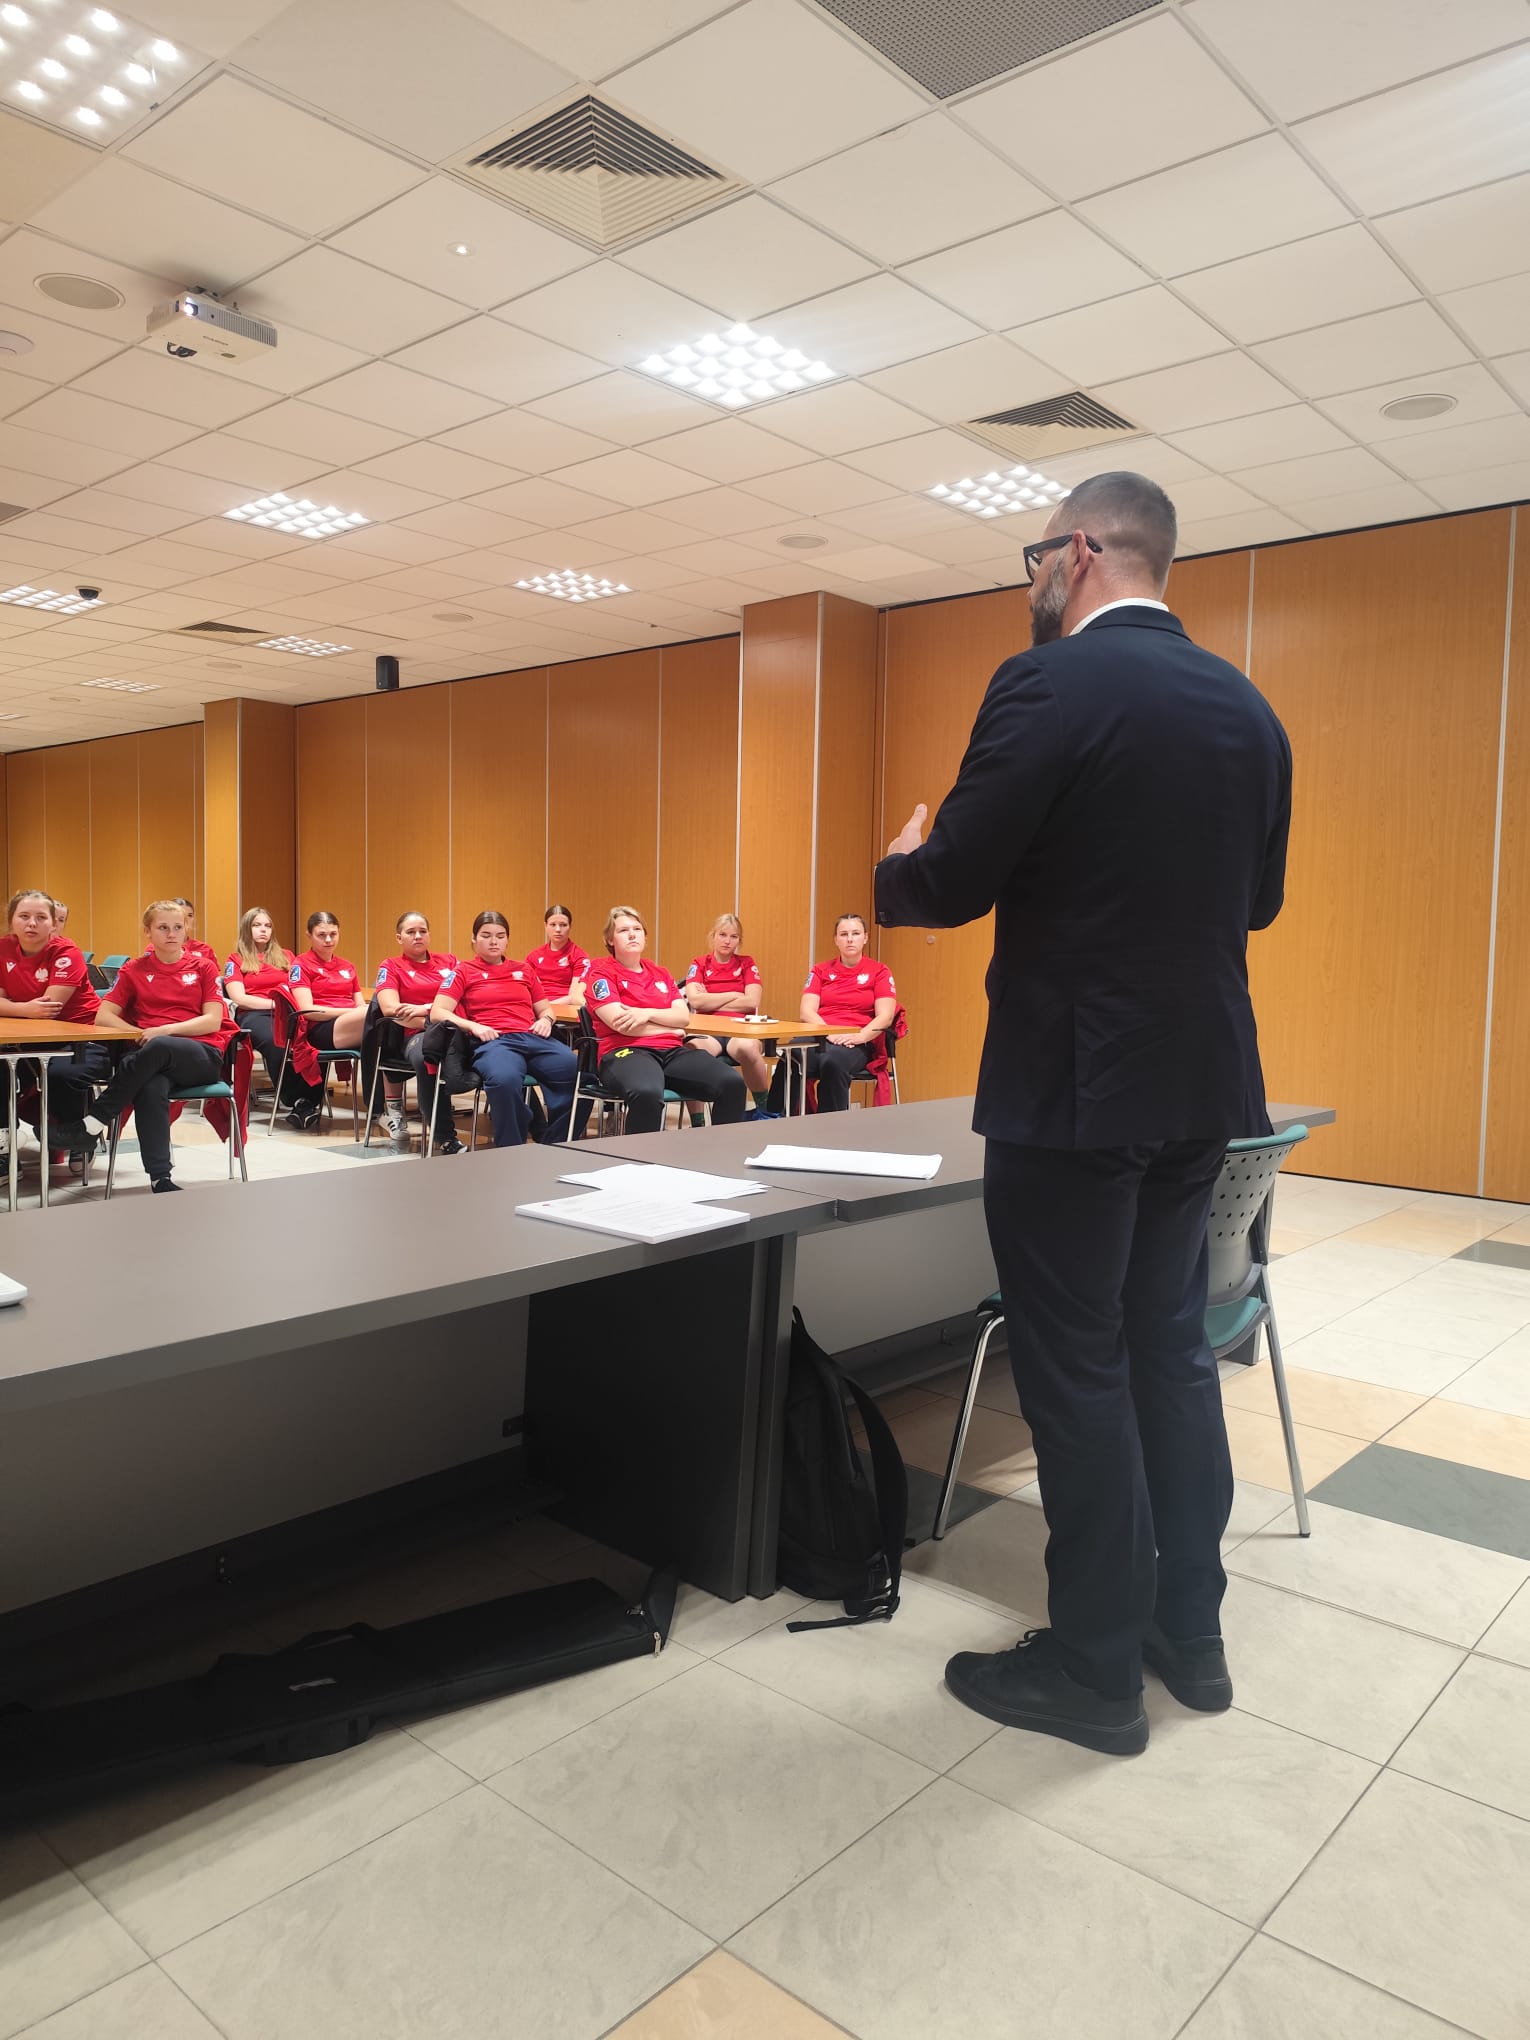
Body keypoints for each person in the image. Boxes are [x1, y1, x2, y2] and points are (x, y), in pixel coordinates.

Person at [874, 470, 1291, 1759]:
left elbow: (953, 883)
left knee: (1076, 1366)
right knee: (1169, 1349)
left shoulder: (1044, 683)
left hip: (1074, 1087)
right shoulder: (1250, 708)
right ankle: (1188, 1638)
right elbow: (1259, 903)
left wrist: (897, 867)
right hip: (1203, 1084)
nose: (1031, 579)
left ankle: (1096, 1668)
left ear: (1081, 552)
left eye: (1035, 556)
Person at [66, 898, 233, 1192]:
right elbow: (103, 1017)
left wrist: (163, 1032)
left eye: (178, 927)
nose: (171, 933)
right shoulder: (134, 969)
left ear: (186, 929)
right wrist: (140, 1032)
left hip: (201, 1055)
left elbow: (212, 1021)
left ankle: (94, 1121)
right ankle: (160, 1178)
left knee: (157, 1048)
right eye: (163, 927)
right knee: (151, 1084)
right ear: (148, 932)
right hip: (152, 1058)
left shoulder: (204, 967)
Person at [585, 906, 747, 1134]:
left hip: (671, 1052)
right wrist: (670, 1029)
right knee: (646, 1092)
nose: (632, 935)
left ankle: (719, 1150)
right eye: (623, 930)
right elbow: (622, 1025)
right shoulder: (601, 974)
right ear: (610, 940)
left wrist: (646, 1014)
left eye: (637, 929)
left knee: (732, 1084)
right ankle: (637, 1155)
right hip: (625, 1051)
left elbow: (682, 1017)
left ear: (645, 936)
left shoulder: (660, 973)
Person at [428, 911, 578, 1147]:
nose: (493, 941)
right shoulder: (463, 971)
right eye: (486, 935)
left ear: (507, 939)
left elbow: (546, 1009)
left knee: (575, 1069)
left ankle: (557, 1142)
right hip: (494, 1041)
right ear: (474, 939)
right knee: (504, 1080)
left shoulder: (524, 969)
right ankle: (511, 1146)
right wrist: (473, 1026)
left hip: (531, 1036)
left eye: (500, 936)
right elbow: (438, 1012)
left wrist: (546, 1020)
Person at [0, 888, 103, 1163]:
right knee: (2, 1070)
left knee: (62, 1074)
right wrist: (24, 1009)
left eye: (41, 917)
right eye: (24, 916)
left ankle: (78, 1135)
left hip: (81, 1036)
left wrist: (11, 1006)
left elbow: (48, 1008)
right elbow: (32, 1010)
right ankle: (4, 1146)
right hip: (28, 1038)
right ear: (12, 921)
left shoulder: (66, 952)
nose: (31, 923)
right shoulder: (3, 948)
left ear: (54, 923)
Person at [766, 913, 896, 1114]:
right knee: (791, 1056)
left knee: (832, 1062)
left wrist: (860, 1036)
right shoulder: (820, 970)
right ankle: (775, 1117)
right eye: (843, 934)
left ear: (865, 938)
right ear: (836, 940)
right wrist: (829, 1033)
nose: (850, 939)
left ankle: (829, 1125)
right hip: (822, 1034)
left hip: (856, 1040)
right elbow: (806, 1011)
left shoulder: (879, 971)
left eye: (855, 933)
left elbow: (885, 1016)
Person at [374, 910, 457, 1151]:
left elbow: (464, 998)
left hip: (454, 1030)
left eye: (423, 931)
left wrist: (426, 1010)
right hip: (415, 1035)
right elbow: (391, 1009)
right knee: (427, 1055)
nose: (418, 936)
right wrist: (433, 1021)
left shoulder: (449, 962)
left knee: (499, 1050)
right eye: (411, 932)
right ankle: (445, 1137)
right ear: (399, 938)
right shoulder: (391, 966)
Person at [284, 910, 367, 1130]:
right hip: (318, 1029)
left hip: (348, 1025)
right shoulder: (301, 965)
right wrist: (348, 1012)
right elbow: (308, 1011)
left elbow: (360, 1004)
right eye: (321, 935)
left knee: (378, 1031)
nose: (328, 940)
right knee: (375, 1013)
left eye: (333, 934)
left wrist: (355, 1012)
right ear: (309, 935)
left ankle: (382, 1107)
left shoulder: (347, 966)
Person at [684, 914, 773, 1111]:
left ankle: (763, 1110)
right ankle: (698, 1121)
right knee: (690, 1051)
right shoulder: (699, 963)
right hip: (708, 1031)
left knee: (748, 1049)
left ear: (739, 940)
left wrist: (710, 1001)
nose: (727, 941)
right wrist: (734, 994)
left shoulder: (747, 963)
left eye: (734, 936)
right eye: (722, 935)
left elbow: (752, 1001)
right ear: (713, 936)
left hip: (739, 1029)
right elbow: (696, 1001)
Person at [223, 906, 302, 1111]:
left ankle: (311, 1097)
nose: (263, 930)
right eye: (257, 925)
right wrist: (275, 1004)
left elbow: (300, 987)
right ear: (246, 929)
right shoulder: (236, 959)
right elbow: (239, 998)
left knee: (313, 1037)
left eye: (267, 925)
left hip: (289, 1012)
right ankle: (295, 1099)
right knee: (276, 1041)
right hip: (254, 1014)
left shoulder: (286, 956)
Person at [525, 904, 588, 1006]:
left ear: (570, 926)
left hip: (564, 1009)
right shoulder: (533, 956)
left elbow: (574, 997)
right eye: (553, 925)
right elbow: (527, 990)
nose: (558, 929)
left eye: (563, 925)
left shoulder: (579, 956)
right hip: (536, 1007)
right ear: (545, 926)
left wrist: (546, 1007)